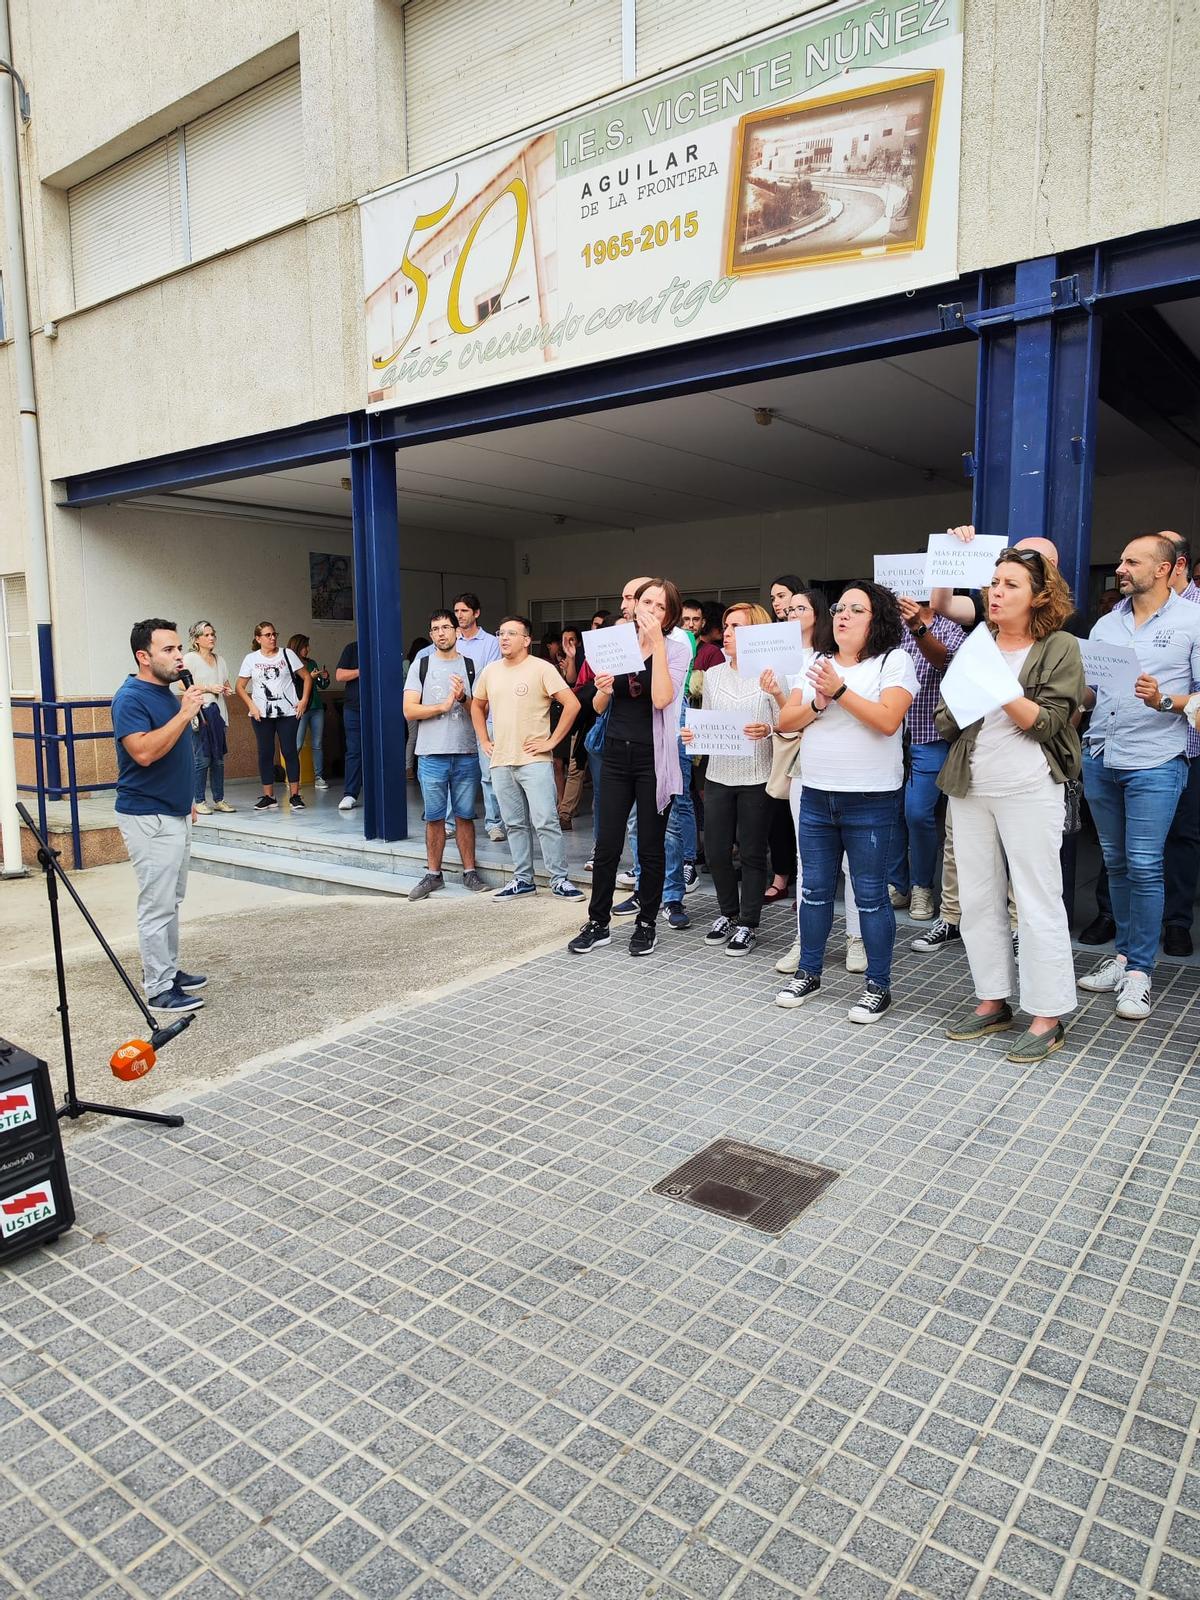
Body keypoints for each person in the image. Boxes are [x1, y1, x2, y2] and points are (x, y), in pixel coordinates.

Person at [937, 549, 1085, 1062]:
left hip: (1029, 786)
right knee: (977, 899)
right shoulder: (977, 644)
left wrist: (998, 688)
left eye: (1011, 585)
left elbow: (1047, 722)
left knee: (1037, 898)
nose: (996, 592)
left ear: (1040, 596)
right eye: (994, 582)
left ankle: (1047, 1014)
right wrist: (971, 693)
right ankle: (993, 1000)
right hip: (972, 785)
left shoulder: (1060, 646)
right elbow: (944, 720)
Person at [773, 581, 917, 1023]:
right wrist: (817, 703)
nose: (843, 615)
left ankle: (878, 984)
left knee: (870, 895)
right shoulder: (817, 662)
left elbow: (889, 720)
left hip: (871, 798)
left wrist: (838, 693)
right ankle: (809, 971)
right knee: (814, 890)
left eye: (857, 609)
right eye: (840, 607)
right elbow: (786, 721)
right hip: (817, 792)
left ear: (878, 619)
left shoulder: (894, 661)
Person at [1078, 533, 1200, 1019]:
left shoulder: (1193, 621)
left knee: (1146, 864)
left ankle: (1139, 973)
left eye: (1133, 561)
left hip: (1156, 759)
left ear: (1166, 569)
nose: (1121, 568)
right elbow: (1093, 695)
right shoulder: (1107, 625)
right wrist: (1074, 696)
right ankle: (1123, 955)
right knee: (1116, 862)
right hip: (1102, 755)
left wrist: (1164, 701)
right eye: (1122, 559)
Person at [568, 580, 690, 957]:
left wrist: (653, 645)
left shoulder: (676, 648)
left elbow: (661, 698)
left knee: (651, 846)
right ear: (635, 605)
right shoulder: (616, 639)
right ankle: (598, 921)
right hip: (616, 754)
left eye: (660, 606)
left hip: (654, 756)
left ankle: (647, 923)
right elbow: (601, 707)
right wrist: (603, 687)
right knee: (607, 843)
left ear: (669, 615)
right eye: (646, 602)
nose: (651, 610)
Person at [112, 619, 208, 1014]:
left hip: (174, 811)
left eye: (179, 648)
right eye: (168, 650)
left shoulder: (169, 695)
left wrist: (187, 798)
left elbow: (175, 754)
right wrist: (185, 714)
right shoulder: (130, 698)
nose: (178, 656)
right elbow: (144, 752)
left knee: (172, 899)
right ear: (144, 656)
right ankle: (158, 988)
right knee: (157, 903)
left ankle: (168, 970)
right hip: (147, 816)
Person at [769, 586, 863, 981]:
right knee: (809, 861)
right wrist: (788, 699)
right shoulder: (793, 661)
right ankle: (805, 943)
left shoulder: (856, 661)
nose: (790, 614)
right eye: (786, 609)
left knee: (853, 864)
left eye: (799, 608)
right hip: (807, 771)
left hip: (854, 775)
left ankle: (857, 939)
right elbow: (788, 718)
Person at [682, 602, 778, 955]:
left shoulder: (771, 674)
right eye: (726, 625)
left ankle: (749, 923)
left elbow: (787, 720)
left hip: (757, 774)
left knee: (752, 852)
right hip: (719, 773)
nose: (727, 632)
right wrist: (695, 736)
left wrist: (768, 727)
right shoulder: (715, 675)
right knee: (717, 850)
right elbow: (707, 720)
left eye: (736, 626)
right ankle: (728, 913)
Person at [470, 617, 583, 900]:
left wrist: (552, 741)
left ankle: (559, 879)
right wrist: (484, 739)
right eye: (501, 633)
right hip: (501, 760)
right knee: (514, 824)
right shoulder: (490, 671)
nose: (504, 638)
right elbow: (477, 705)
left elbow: (572, 704)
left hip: (535, 759)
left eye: (511, 633)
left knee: (546, 821)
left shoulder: (541, 669)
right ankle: (523, 879)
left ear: (526, 640)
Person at [887, 597, 964, 920]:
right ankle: (897, 883)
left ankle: (921, 886)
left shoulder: (951, 626)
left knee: (918, 813)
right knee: (889, 810)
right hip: (889, 733)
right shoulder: (889, 629)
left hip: (930, 735)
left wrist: (917, 627)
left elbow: (945, 662)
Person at [404, 610, 488, 899]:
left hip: (466, 752)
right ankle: (433, 875)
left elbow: (482, 710)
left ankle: (470, 873)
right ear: (431, 635)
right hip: (431, 755)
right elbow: (409, 709)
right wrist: (440, 707)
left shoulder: (471, 665)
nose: (441, 633)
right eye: (435, 629)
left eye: (446, 627)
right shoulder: (421, 664)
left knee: (466, 816)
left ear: (456, 632)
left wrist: (463, 697)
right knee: (435, 817)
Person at [1161, 532, 1200, 956]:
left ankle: (1176, 921)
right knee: (1122, 841)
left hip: (1189, 743)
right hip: (1132, 743)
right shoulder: (1121, 610)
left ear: (1176, 564)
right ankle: (1110, 915)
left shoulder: (1198, 613)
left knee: (1183, 835)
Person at [237, 622, 311, 811]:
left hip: (288, 712)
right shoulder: (251, 659)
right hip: (261, 714)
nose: (272, 638)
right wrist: (251, 706)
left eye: (274, 634)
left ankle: (295, 795)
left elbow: (307, 677)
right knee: (265, 753)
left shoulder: (287, 654)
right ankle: (269, 796)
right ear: (258, 638)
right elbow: (240, 686)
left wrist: (303, 701)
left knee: (290, 751)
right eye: (267, 635)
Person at [181, 620, 235, 814]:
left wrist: (227, 689)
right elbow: (182, 685)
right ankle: (199, 800)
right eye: (206, 635)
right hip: (200, 714)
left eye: (213, 634)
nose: (211, 638)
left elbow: (226, 682)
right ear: (196, 639)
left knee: (218, 759)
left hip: (219, 714)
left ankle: (219, 799)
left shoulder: (220, 659)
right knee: (202, 759)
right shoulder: (190, 659)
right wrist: (208, 688)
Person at [289, 633, 330, 791]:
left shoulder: (312, 663)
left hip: (316, 707)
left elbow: (323, 685)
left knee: (317, 744)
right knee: (297, 743)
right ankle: (293, 778)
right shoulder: (291, 663)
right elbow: (292, 684)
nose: (308, 649)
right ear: (298, 647)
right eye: (305, 646)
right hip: (300, 707)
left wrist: (324, 678)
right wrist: (309, 678)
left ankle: (319, 777)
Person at [335, 638, 361, 811]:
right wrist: (361, 670)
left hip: (380, 709)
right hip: (353, 708)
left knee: (383, 749)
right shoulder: (352, 648)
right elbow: (339, 675)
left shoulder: (386, 647)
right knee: (353, 751)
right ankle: (350, 794)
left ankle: (385, 792)